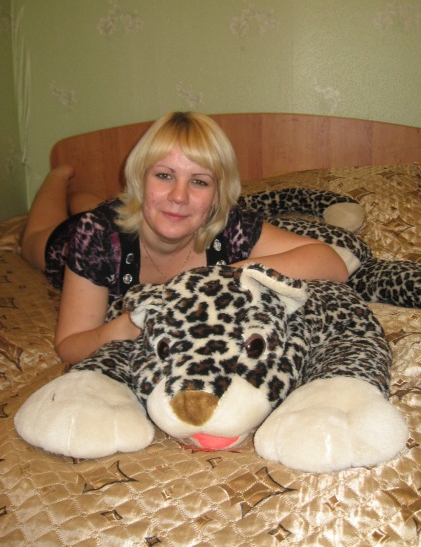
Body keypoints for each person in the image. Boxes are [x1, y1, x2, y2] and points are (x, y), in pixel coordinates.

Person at [21, 111, 349, 365]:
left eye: (199, 181)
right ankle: (58, 178)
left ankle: (83, 197)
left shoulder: (230, 228)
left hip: (126, 215)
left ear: (218, 195)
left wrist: (221, 277)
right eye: (164, 175)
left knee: (94, 205)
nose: (179, 196)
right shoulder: (95, 235)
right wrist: (129, 325)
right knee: (33, 241)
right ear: (139, 180)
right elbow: (69, 346)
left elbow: (331, 262)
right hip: (74, 240)